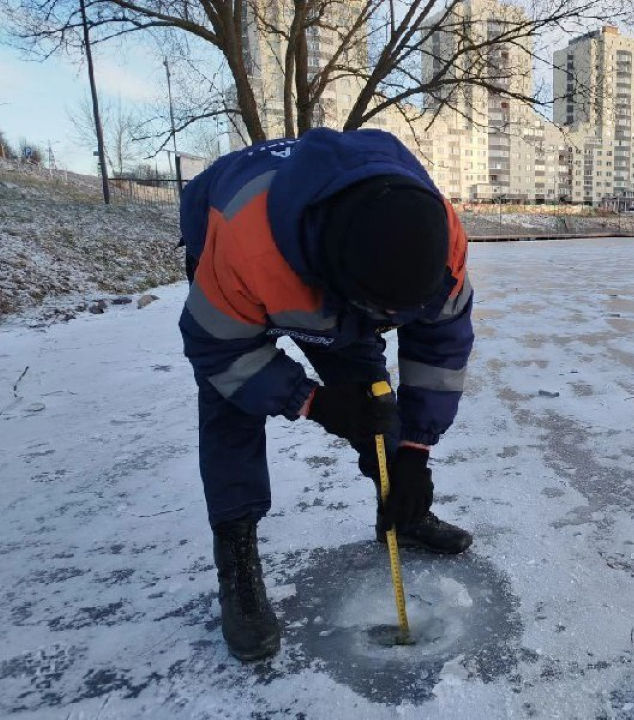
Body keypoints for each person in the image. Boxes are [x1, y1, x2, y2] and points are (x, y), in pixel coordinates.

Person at [178, 128, 474, 661]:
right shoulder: (245, 248)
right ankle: (237, 553)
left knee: (373, 400)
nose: (388, 326)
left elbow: (440, 346)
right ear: (336, 285)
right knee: (230, 407)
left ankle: (400, 512)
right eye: (379, 315)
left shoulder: (441, 243)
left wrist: (414, 450)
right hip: (227, 243)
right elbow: (219, 352)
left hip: (337, 271)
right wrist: (310, 400)